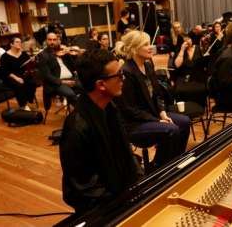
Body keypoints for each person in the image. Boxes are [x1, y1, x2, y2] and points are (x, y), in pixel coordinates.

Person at [59, 49, 141, 215]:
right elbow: (84, 186)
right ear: (101, 85)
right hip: (100, 206)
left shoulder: (110, 107)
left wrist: (138, 177)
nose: (122, 79)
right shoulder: (77, 127)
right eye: (118, 75)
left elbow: (123, 150)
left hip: (119, 192)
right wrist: (122, 200)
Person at [115, 30, 190, 168]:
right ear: (134, 48)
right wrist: (157, 120)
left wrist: (162, 112)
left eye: (150, 43)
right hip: (134, 123)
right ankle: (158, 167)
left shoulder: (148, 65)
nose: (151, 47)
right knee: (171, 129)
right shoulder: (126, 71)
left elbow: (157, 95)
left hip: (152, 114)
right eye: (146, 44)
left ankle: (175, 162)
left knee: (185, 122)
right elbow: (129, 109)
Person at [37, 32, 81, 106]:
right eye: (50, 40)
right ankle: (81, 113)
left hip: (71, 78)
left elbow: (73, 66)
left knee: (86, 88)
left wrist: (68, 54)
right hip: (56, 83)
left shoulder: (62, 51)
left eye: (54, 40)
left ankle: (81, 111)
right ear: (46, 41)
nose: (52, 42)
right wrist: (63, 82)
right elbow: (47, 76)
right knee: (71, 94)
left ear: (57, 40)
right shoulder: (43, 55)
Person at [0, 37, 37, 110]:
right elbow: (5, 71)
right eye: (17, 42)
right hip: (10, 76)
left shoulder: (23, 53)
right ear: (11, 44)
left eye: (20, 42)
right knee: (19, 85)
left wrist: (32, 61)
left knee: (32, 82)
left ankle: (28, 99)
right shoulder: (5, 56)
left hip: (22, 74)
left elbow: (28, 66)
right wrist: (17, 78)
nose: (20, 43)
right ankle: (23, 105)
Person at [173, 35, 208, 107]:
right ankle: (185, 107)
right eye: (185, 40)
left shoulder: (198, 48)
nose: (188, 41)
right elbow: (177, 65)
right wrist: (182, 50)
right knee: (179, 90)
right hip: (184, 76)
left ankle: (199, 107)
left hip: (197, 75)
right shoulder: (180, 51)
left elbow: (205, 62)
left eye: (189, 39)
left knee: (201, 89)